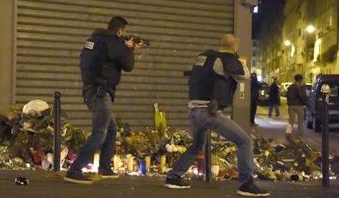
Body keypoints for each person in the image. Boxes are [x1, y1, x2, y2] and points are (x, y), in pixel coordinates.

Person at [165, 34, 269, 197]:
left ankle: (173, 176)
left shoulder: (203, 57)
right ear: (235, 46)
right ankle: (245, 183)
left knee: (196, 146)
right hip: (208, 113)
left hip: (193, 111)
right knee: (244, 141)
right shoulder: (223, 61)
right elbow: (245, 75)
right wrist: (240, 60)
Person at [64, 16, 143, 184]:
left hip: (91, 89)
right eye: (124, 32)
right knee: (100, 133)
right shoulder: (111, 42)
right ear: (121, 30)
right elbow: (128, 65)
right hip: (101, 92)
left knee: (111, 129)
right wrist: (129, 48)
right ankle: (75, 169)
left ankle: (105, 167)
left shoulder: (94, 40)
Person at [286, 74, 308, 139]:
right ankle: (299, 136)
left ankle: (288, 133)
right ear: (300, 79)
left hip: (291, 106)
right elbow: (303, 96)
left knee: (291, 121)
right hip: (299, 106)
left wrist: (289, 103)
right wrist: (305, 103)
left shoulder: (290, 87)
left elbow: (287, 96)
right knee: (300, 122)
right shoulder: (302, 87)